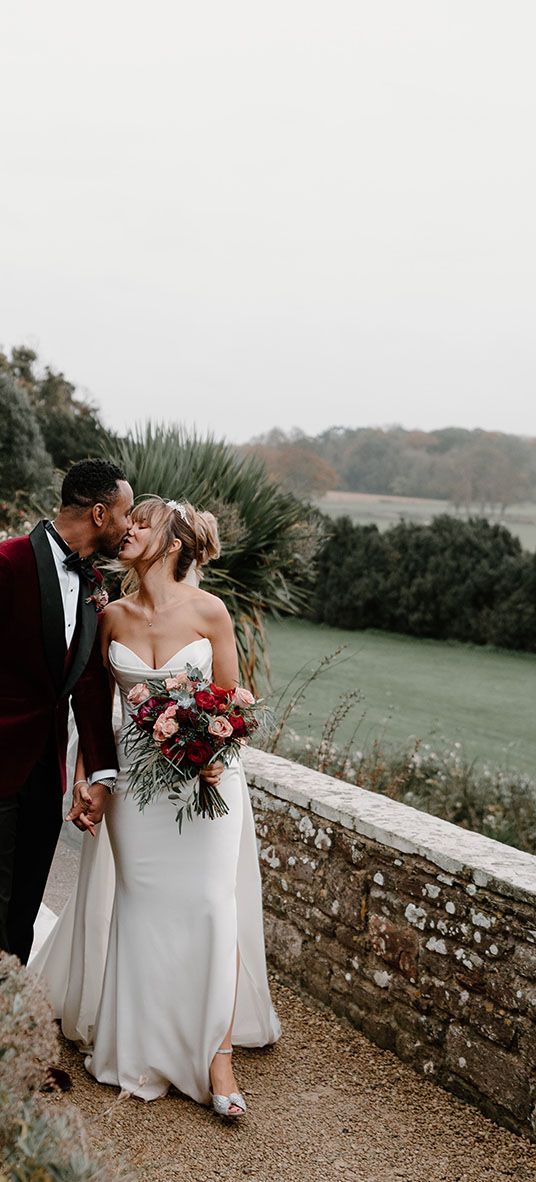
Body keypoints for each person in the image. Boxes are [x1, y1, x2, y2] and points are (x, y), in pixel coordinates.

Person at [32, 496, 280, 1119]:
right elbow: (93, 712)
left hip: (208, 784)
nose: (129, 528)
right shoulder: (109, 615)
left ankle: (216, 1056)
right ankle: (136, 1045)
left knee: (207, 906)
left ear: (172, 544)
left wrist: (213, 746)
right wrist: (89, 780)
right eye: (129, 519)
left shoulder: (211, 611)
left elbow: (236, 705)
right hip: (138, 789)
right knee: (141, 907)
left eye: (143, 522)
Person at [0, 458, 133, 967]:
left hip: (45, 771)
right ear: (100, 513)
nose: (127, 526)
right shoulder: (8, 563)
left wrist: (99, 773)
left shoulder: (96, 585)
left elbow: (92, 686)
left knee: (25, 907)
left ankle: (11, 1026)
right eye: (123, 514)